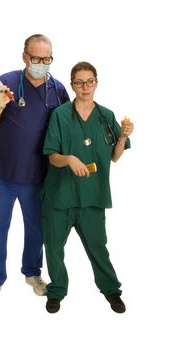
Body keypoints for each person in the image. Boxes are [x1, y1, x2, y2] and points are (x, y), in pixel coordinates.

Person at [0, 34, 69, 305]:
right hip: (3, 172)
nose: (41, 63)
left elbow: (67, 128)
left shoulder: (58, 90)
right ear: (25, 57)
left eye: (47, 59)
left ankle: (32, 273)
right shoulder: (6, 82)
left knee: (37, 229)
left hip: (38, 175)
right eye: (36, 58)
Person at [41, 61, 134, 313]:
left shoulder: (107, 116)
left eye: (90, 81)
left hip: (93, 196)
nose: (85, 87)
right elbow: (51, 156)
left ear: (96, 82)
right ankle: (57, 291)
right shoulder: (60, 115)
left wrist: (123, 136)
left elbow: (115, 156)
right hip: (60, 196)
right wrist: (69, 158)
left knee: (98, 247)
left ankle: (111, 290)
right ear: (72, 85)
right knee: (53, 247)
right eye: (79, 82)